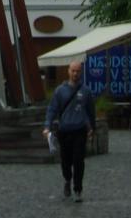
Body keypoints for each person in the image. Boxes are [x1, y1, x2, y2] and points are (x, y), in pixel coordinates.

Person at [44, 59, 96, 203]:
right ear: (68, 71)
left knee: (79, 161)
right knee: (65, 161)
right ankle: (67, 179)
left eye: (78, 71)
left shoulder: (86, 91)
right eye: (73, 71)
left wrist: (92, 128)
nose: (75, 73)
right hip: (64, 131)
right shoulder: (60, 91)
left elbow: (91, 111)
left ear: (81, 72)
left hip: (79, 130)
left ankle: (78, 189)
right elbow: (52, 109)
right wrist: (47, 126)